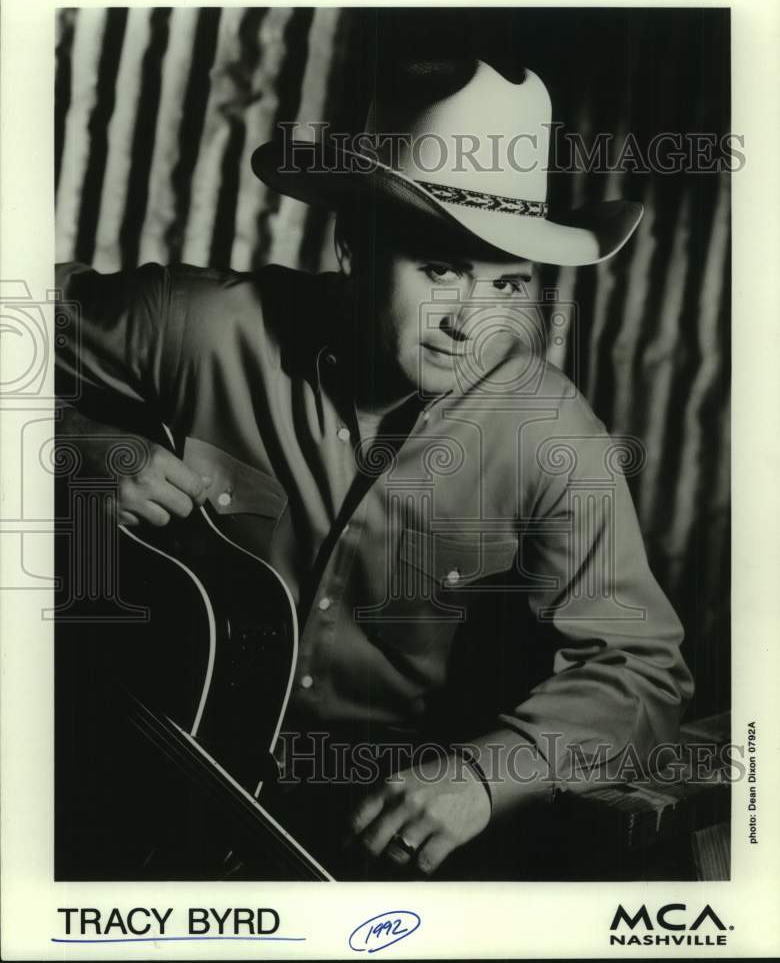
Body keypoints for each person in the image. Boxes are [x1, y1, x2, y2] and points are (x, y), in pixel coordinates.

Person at [55, 59, 693, 879]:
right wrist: (82, 449)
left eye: (507, 282)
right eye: (439, 268)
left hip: (364, 828)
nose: (471, 320)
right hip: (136, 760)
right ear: (354, 243)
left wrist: (486, 775)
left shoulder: (550, 429)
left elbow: (641, 665)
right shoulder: (204, 325)